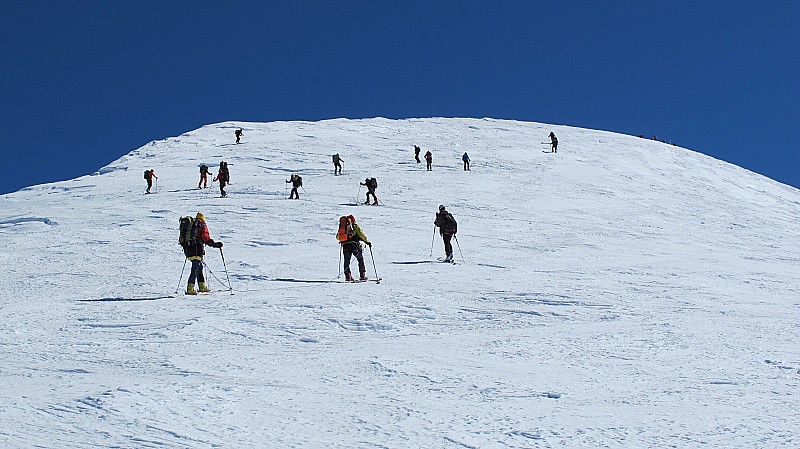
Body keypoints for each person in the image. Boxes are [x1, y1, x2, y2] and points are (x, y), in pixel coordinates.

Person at [183, 212, 223, 295]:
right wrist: (215, 244)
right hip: (197, 249)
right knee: (195, 268)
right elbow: (205, 238)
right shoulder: (201, 225)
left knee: (199, 267)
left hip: (188, 249)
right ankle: (190, 287)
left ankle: (202, 286)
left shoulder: (192, 226)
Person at [338, 215, 371, 282]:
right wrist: (367, 242)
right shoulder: (355, 226)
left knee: (346, 261)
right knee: (360, 259)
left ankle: (348, 276)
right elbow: (361, 234)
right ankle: (362, 275)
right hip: (354, 245)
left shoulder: (342, 228)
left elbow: (338, 237)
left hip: (345, 246)